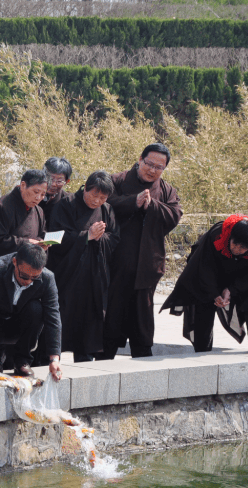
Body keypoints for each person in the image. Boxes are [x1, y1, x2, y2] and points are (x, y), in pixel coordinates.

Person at [103, 143, 183, 358]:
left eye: (159, 167)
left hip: (147, 264)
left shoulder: (167, 190)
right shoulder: (116, 181)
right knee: (111, 313)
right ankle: (104, 356)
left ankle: (142, 355)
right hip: (115, 263)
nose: (153, 170)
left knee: (142, 316)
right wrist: (132, 202)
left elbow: (175, 215)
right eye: (149, 163)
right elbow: (102, 204)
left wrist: (152, 206)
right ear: (140, 159)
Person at [161, 215, 248, 355]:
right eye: (235, 244)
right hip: (211, 275)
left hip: (241, 278)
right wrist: (214, 293)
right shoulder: (217, 236)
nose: (236, 249)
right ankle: (202, 347)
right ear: (230, 237)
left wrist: (231, 289)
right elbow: (203, 267)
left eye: (242, 248)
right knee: (202, 298)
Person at [46, 172, 120, 363]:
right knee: (61, 317)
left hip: (94, 276)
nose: (97, 201)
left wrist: (99, 237)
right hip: (67, 275)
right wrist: (86, 236)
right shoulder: (66, 205)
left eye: (103, 197)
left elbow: (114, 238)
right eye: (94, 194)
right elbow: (54, 237)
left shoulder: (106, 210)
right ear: (85, 187)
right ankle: (51, 359)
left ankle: (85, 359)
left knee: (89, 324)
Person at [0, 243, 62, 379]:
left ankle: (22, 360)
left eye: (35, 278)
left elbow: (53, 317)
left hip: (19, 325)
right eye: (25, 276)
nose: (29, 282)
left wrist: (54, 359)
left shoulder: (47, 278)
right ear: (14, 262)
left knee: (36, 309)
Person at [0, 169, 49, 259]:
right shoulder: (1, 207)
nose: (38, 198)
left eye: (43, 194)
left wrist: (41, 243)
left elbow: (41, 235)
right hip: (2, 267)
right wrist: (27, 243)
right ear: (23, 185)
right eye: (36, 192)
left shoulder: (39, 211)